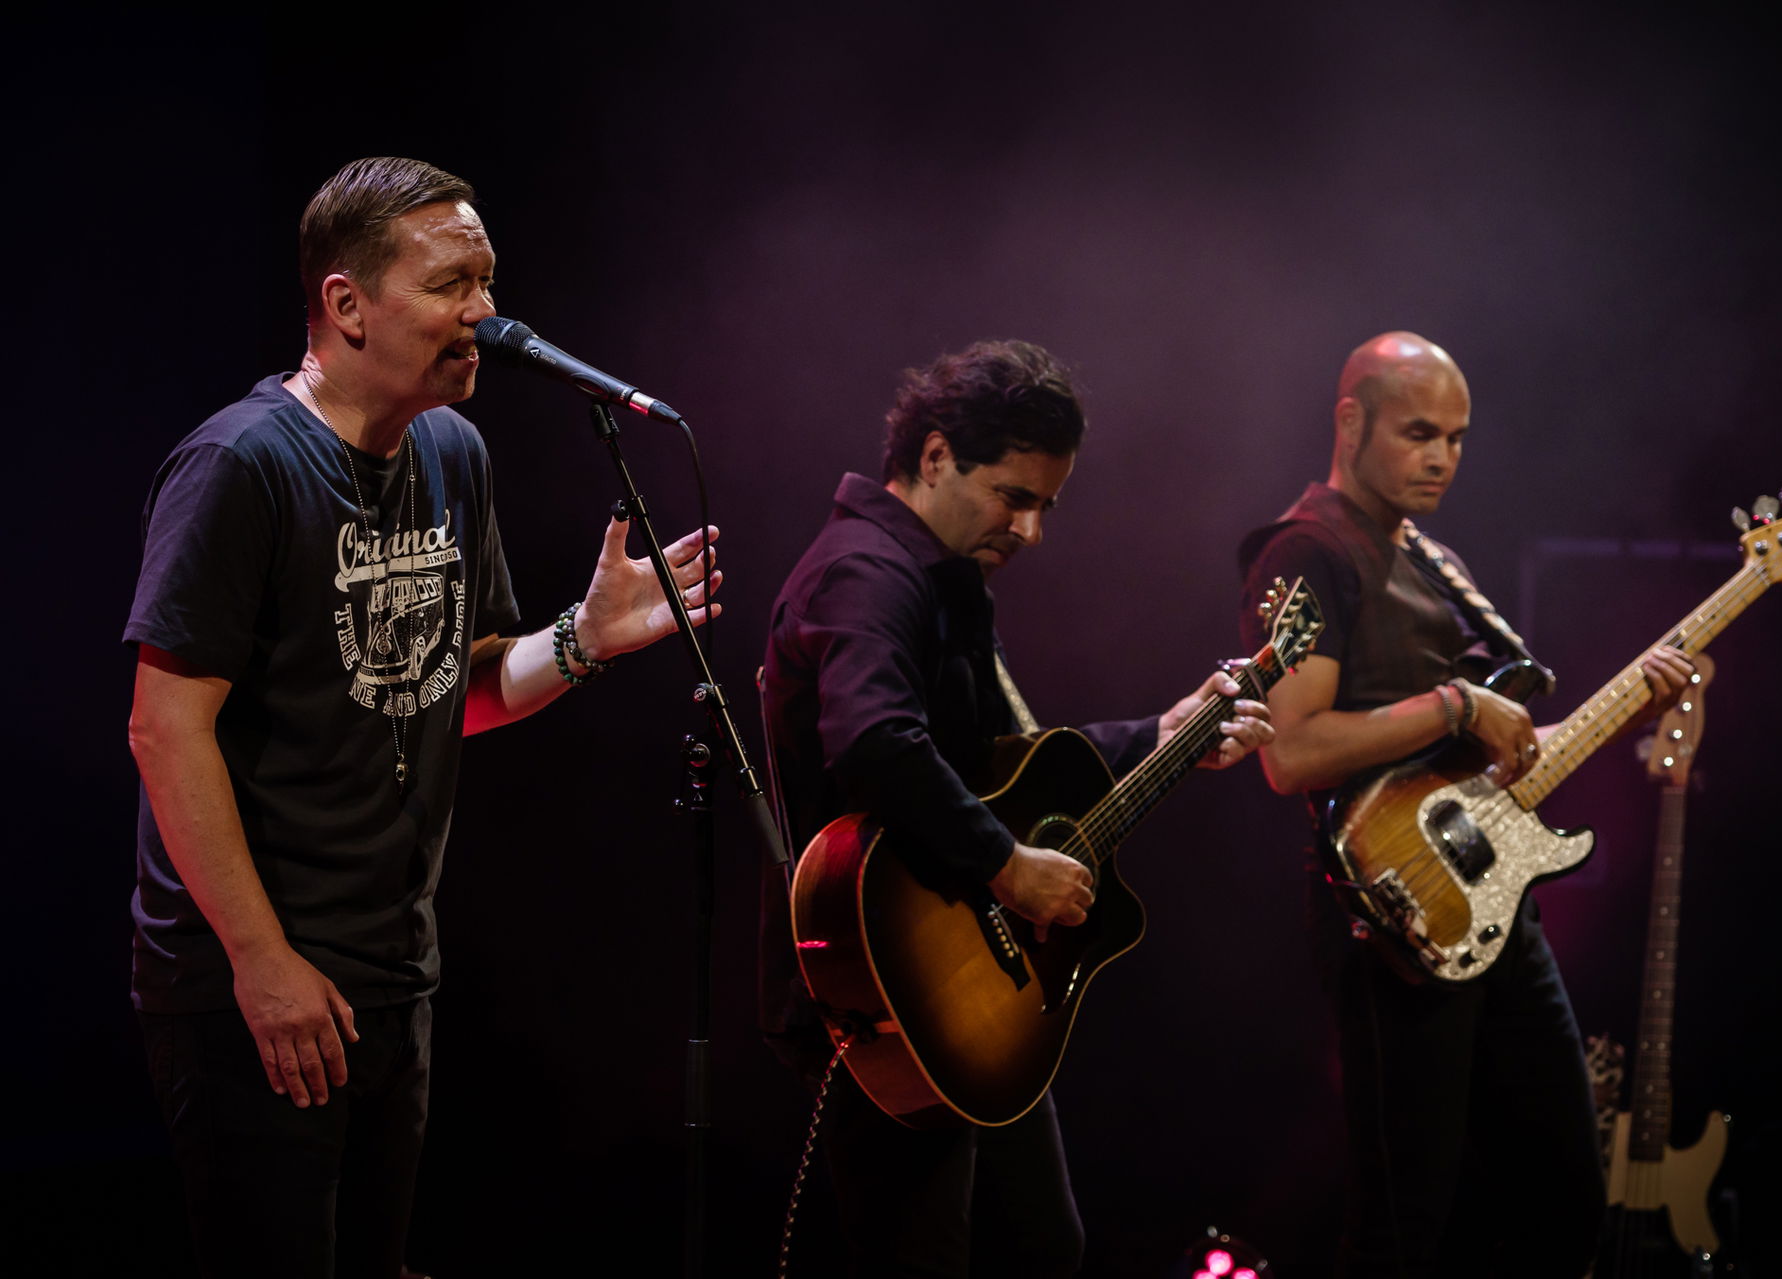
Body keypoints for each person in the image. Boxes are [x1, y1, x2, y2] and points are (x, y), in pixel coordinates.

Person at [124, 156, 720, 1278]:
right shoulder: (239, 465)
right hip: (251, 974)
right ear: (346, 305)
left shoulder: (451, 450)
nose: (486, 315)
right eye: (453, 284)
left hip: (394, 967)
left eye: (488, 282)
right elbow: (164, 729)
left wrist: (586, 637)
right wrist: (260, 961)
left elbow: (464, 691)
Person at [759, 339, 1274, 1277]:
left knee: (1039, 1245)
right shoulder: (870, 572)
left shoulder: (942, 579)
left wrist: (1163, 732)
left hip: (963, 982)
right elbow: (874, 742)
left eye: (1046, 506)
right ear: (935, 456)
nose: (1031, 532)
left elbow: (1011, 766)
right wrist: (1006, 865)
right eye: (1014, 497)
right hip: (888, 982)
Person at [1234, 332, 1691, 1277]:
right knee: (1403, 1227)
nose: (1442, 455)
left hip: (1488, 905)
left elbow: (1492, 765)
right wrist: (1455, 703)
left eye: (1457, 436)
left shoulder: (1433, 561)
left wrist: (1623, 701)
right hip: (1385, 921)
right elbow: (1290, 752)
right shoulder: (1307, 551)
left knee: (1563, 1191)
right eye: (1418, 432)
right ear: (1351, 422)